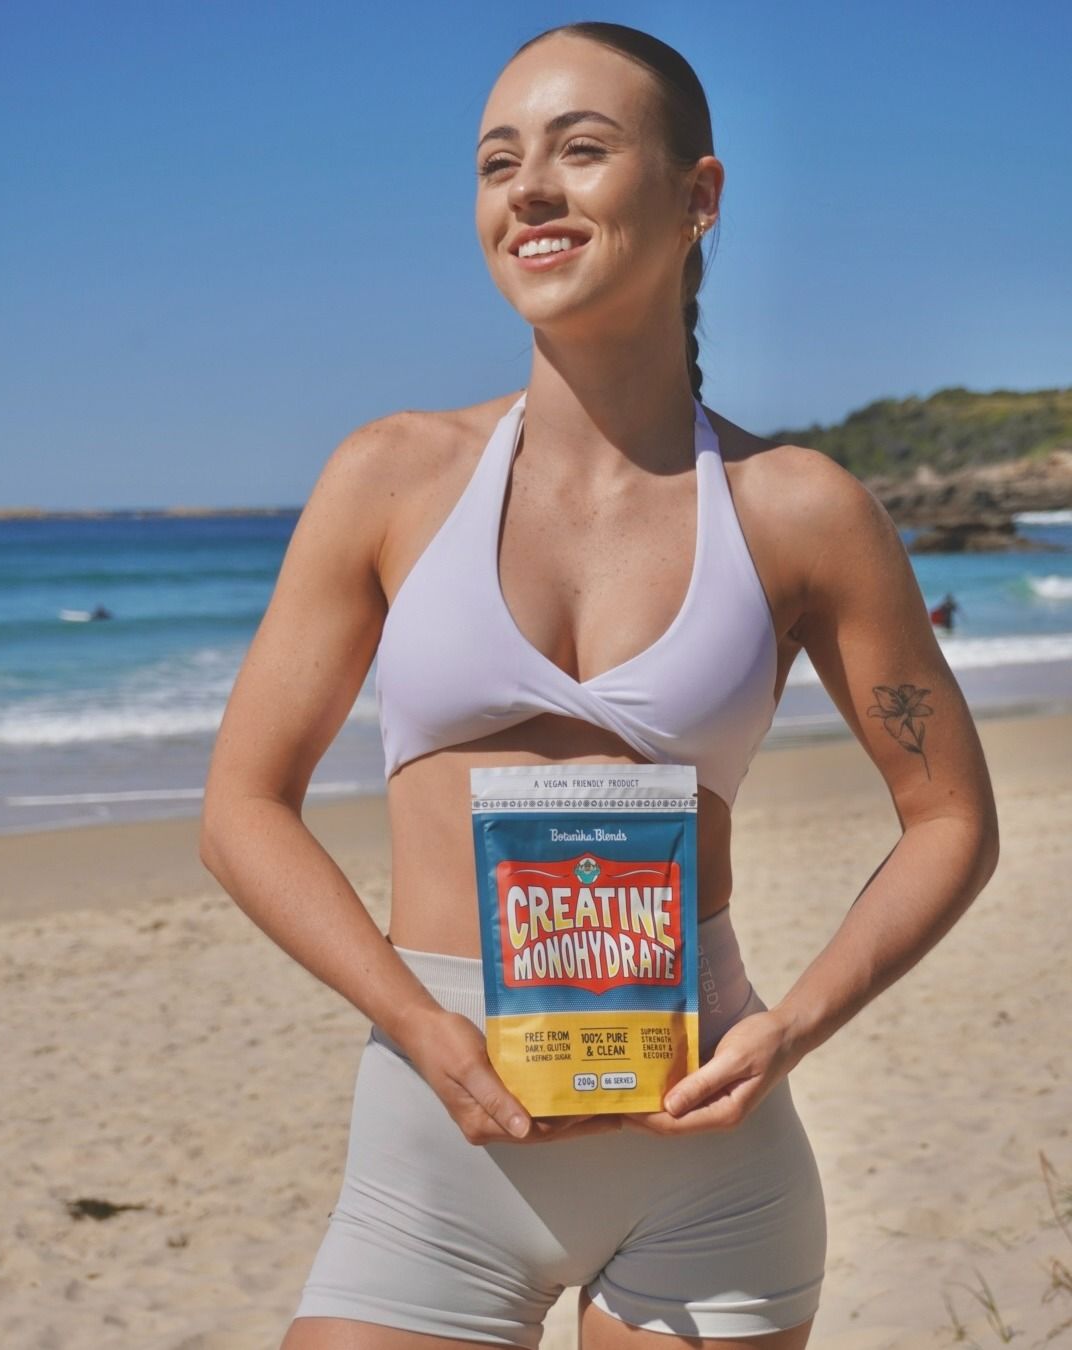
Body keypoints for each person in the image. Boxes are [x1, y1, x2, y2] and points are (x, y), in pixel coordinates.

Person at [199, 22, 999, 1350]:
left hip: (707, 1154)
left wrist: (790, 1029)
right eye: (498, 160)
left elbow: (953, 820)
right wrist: (413, 1019)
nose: (529, 189)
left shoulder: (798, 508)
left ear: (700, 197)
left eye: (582, 149)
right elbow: (240, 806)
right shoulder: (389, 481)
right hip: (441, 1131)